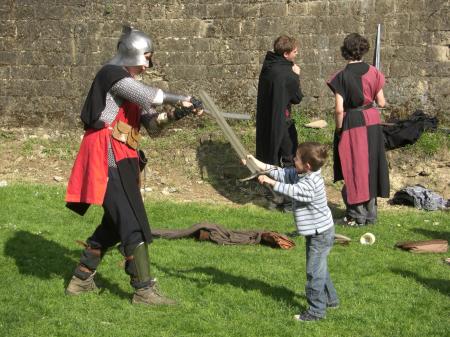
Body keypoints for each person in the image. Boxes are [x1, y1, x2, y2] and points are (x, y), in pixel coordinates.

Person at [64, 26, 202, 305]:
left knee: (116, 222)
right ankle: (143, 289)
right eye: (146, 57)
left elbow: (153, 125)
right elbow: (148, 96)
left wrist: (180, 112)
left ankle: (81, 279)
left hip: (124, 155)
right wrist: (180, 97)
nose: (148, 64)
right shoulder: (112, 75)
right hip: (106, 154)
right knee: (131, 221)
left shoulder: (134, 87)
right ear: (133, 53)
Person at [246, 142, 339, 322]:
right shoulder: (302, 173)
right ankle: (330, 299)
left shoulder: (311, 182)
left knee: (314, 271)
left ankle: (316, 311)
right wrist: (257, 163)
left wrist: (271, 182)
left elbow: (294, 190)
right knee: (320, 267)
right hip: (317, 232)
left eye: (296, 158)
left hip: (321, 233)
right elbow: (283, 172)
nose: (293, 160)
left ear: (307, 166)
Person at [326, 33, 389, 226]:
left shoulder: (341, 77)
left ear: (345, 52)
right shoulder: (374, 72)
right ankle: (370, 215)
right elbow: (382, 102)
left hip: (352, 121)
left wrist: (338, 129)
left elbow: (339, 109)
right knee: (370, 167)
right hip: (372, 120)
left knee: (354, 167)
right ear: (364, 50)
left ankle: (356, 215)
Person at [255, 35, 303, 209]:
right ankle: (288, 200)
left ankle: (274, 194)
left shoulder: (269, 66)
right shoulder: (286, 73)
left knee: (272, 157)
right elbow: (296, 98)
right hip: (281, 122)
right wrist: (296, 76)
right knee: (290, 157)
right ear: (286, 54)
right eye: (295, 52)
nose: (297, 54)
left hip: (268, 119)